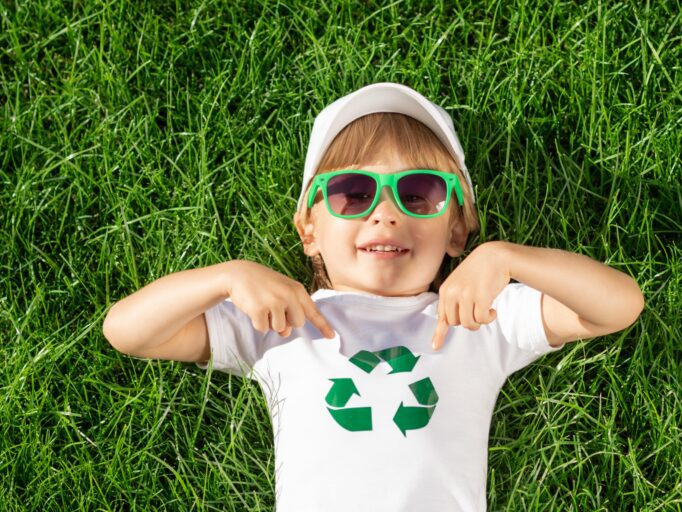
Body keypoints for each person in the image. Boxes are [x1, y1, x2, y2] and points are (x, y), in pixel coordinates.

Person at [103, 82, 645, 511]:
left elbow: (618, 305)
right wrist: (225, 277)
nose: (385, 212)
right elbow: (127, 331)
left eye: (419, 193)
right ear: (309, 229)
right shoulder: (281, 324)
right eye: (352, 193)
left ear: (458, 232)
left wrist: (507, 259)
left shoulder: (479, 320)